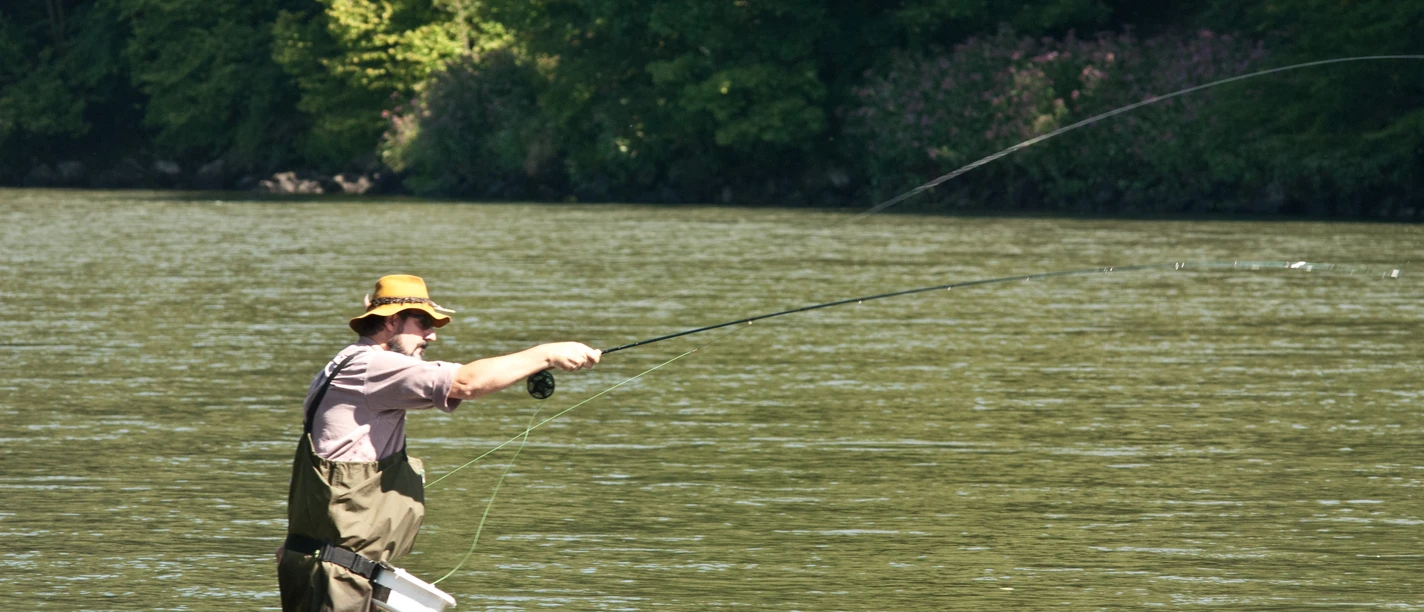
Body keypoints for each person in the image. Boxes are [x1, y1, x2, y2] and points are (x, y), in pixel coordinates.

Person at [277, 274, 600, 611]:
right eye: (423, 322)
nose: (431, 335)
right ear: (391, 322)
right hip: (336, 575)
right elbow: (466, 383)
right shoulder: (373, 366)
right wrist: (548, 354)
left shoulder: (346, 364)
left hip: (338, 567)